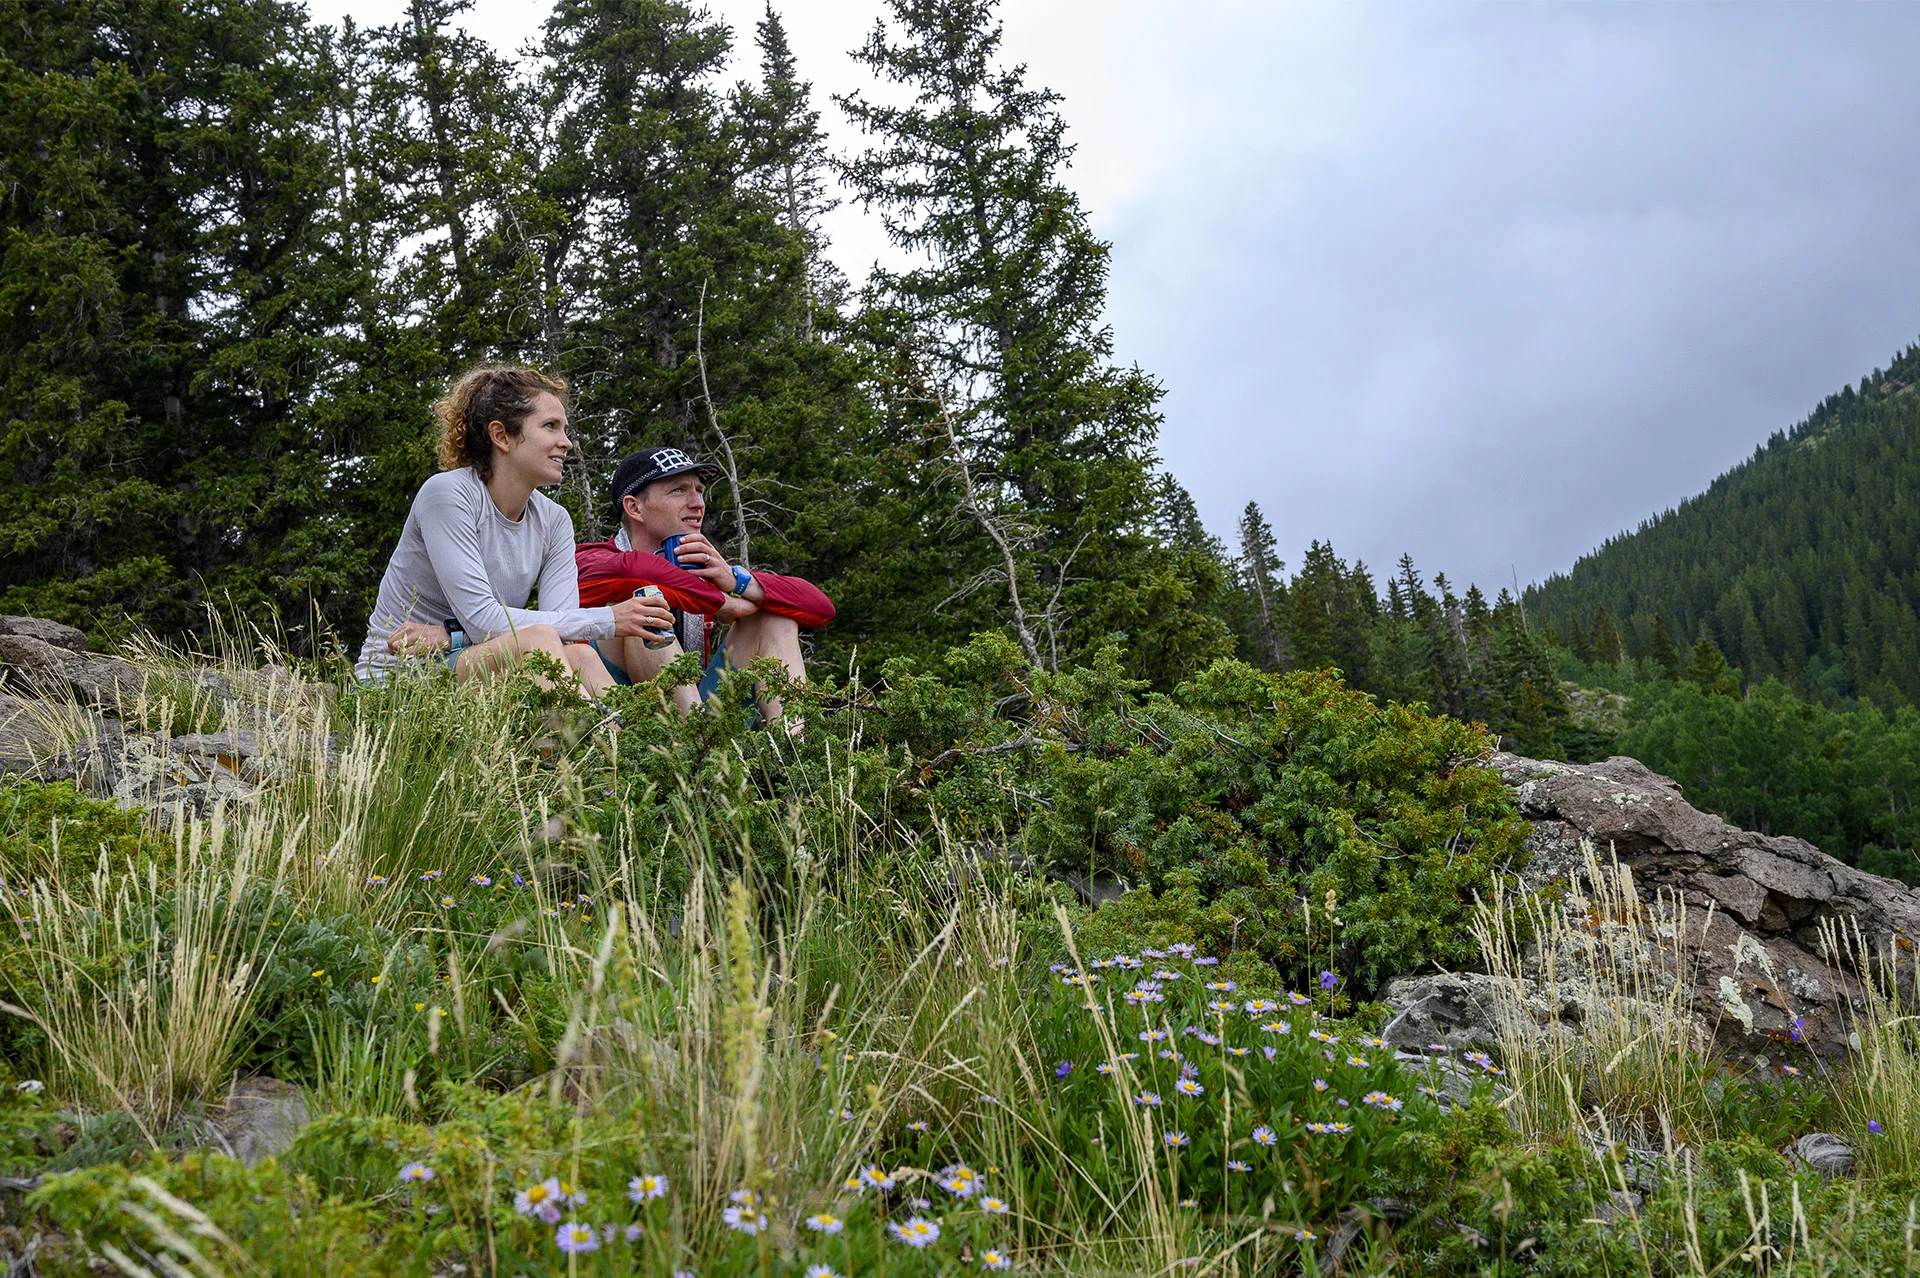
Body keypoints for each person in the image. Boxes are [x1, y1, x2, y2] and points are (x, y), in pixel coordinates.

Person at [353, 366, 672, 694]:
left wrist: (452, 636)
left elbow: (563, 627)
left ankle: (625, 741)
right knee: (536, 642)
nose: (567, 443)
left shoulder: (554, 520)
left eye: (565, 429)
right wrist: (609, 620)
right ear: (501, 436)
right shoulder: (447, 495)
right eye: (550, 427)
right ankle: (597, 737)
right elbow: (484, 621)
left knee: (581, 655)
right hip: (395, 680)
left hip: (475, 660)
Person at [575, 446, 833, 719]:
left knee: (774, 619)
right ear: (634, 507)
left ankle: (794, 753)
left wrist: (734, 580)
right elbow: (635, 570)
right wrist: (720, 601)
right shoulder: (595, 558)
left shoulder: (705, 570)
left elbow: (821, 609)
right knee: (643, 602)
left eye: (699, 489)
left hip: (704, 714)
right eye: (678, 490)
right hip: (623, 721)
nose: (697, 503)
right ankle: (694, 747)